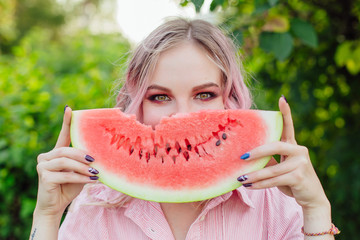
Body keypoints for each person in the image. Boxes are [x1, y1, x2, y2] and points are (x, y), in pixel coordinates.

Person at [30, 18, 338, 239]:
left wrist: (315, 208)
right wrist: (47, 217)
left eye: (204, 95)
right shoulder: (96, 202)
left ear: (230, 100)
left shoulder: (271, 202)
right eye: (160, 97)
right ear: (138, 102)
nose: (181, 117)